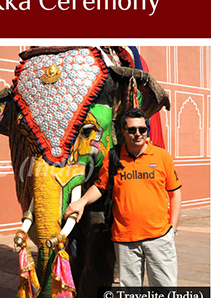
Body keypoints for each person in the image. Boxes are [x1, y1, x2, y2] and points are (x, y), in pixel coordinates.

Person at [64, 109, 182, 288]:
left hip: (159, 237)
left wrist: (172, 229)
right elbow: (100, 186)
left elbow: (175, 193)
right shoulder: (113, 157)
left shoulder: (161, 157)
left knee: (165, 292)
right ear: (122, 131)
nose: (138, 134)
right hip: (125, 239)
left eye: (142, 129)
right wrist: (81, 202)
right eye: (132, 130)